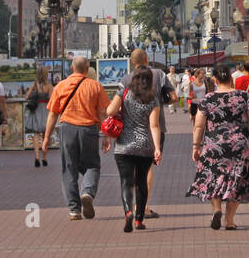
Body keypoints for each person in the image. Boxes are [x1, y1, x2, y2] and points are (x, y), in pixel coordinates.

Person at [187, 61, 249, 230]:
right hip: (239, 144)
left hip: (214, 145)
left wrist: (195, 146)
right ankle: (229, 221)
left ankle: (216, 209)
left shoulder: (208, 99)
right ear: (231, 78)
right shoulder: (243, 96)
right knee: (237, 181)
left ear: (214, 79)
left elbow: (199, 125)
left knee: (214, 178)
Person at [42, 55, 110, 220]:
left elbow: (53, 114)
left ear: (72, 68)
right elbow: (103, 113)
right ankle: (87, 192)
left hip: (67, 129)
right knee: (92, 166)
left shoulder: (60, 86)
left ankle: (74, 210)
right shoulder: (95, 86)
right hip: (89, 130)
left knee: (69, 169)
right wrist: (106, 135)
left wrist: (46, 138)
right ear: (87, 69)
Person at [105, 66, 164, 232]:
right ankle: (139, 219)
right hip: (145, 146)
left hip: (124, 145)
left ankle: (128, 211)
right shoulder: (153, 99)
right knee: (141, 182)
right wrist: (157, 148)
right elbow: (154, 125)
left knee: (126, 182)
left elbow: (110, 111)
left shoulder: (124, 93)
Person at [120, 48, 172, 218]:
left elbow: (118, 104)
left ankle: (131, 206)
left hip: (129, 129)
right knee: (147, 168)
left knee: (131, 169)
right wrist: (159, 100)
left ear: (132, 62)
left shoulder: (125, 79)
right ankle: (144, 207)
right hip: (154, 127)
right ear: (147, 59)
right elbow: (173, 96)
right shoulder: (159, 74)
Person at [24, 66, 51, 168]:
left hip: (36, 111)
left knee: (36, 135)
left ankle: (36, 158)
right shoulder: (49, 86)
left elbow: (26, 97)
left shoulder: (34, 84)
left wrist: (34, 95)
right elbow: (52, 99)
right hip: (46, 111)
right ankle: (44, 158)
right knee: (45, 136)